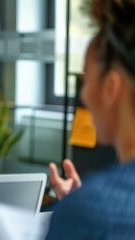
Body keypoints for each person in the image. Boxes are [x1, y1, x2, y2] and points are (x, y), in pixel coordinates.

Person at [46, 0, 135, 238]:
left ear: (111, 87)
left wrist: (82, 206)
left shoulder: (90, 211)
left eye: (87, 80)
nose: (84, 94)